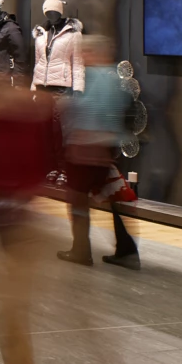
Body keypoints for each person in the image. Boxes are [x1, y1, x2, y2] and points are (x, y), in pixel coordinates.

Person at [0, 74, 56, 364]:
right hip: (11, 220)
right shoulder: (1, 120)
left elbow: (24, 169)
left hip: (20, 223)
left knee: (11, 302)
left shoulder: (7, 120)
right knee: (9, 301)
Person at [58, 35, 133, 267]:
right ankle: (126, 250)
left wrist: (65, 106)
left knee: (78, 199)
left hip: (85, 148)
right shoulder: (115, 78)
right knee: (113, 199)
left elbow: (90, 109)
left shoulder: (95, 77)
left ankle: (81, 250)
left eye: (85, 52)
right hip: (105, 148)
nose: (82, 57)